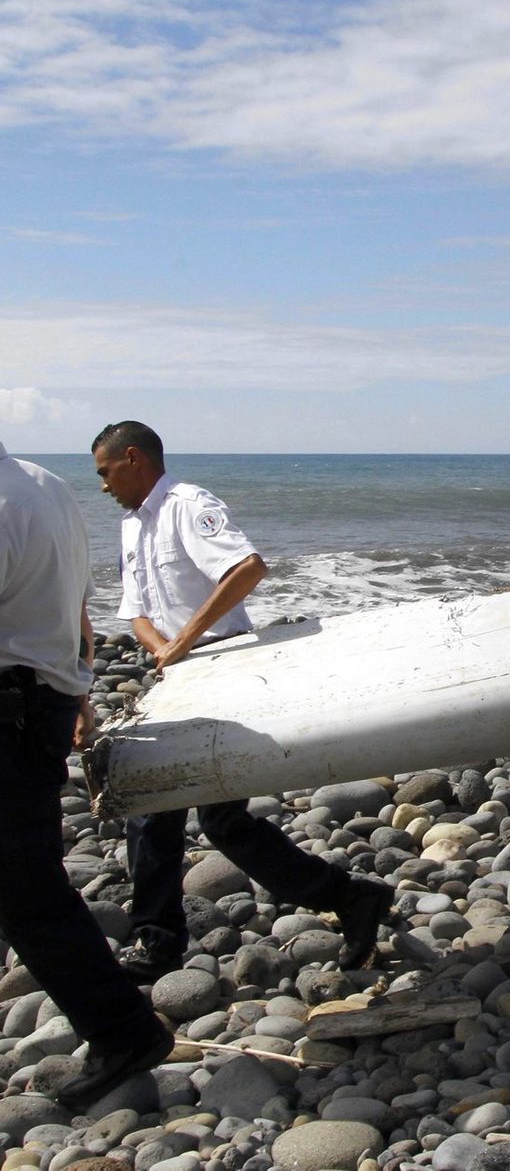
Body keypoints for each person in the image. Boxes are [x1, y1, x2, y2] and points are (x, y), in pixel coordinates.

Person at [91, 422, 392, 983]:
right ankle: (347, 900)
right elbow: (134, 608)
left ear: (133, 459)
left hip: (223, 666)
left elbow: (246, 569)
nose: (103, 486)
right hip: (177, 675)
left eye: (105, 473)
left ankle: (160, 942)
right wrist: (164, 651)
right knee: (186, 814)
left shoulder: (188, 505)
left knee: (196, 813)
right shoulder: (132, 525)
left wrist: (184, 642)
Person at [0, 443, 173, 1108]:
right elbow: (74, 599)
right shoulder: (42, 484)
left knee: (26, 890)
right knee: (25, 878)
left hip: (14, 711)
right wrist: (76, 685)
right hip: (37, 700)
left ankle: (122, 1029)